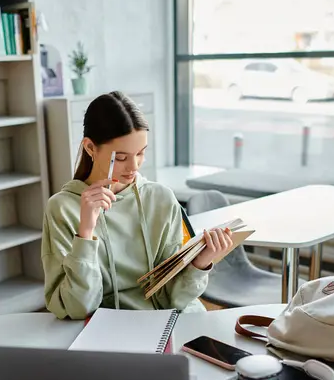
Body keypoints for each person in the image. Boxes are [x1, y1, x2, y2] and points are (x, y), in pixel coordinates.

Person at [41, 91, 233, 319]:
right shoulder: (62, 209)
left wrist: (200, 263)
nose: (134, 167)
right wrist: (85, 233)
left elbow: (176, 299)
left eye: (141, 153)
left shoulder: (161, 199)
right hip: (108, 329)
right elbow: (77, 308)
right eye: (121, 157)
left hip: (171, 320)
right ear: (90, 148)